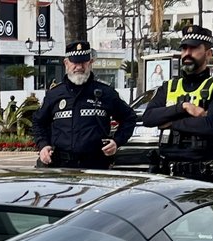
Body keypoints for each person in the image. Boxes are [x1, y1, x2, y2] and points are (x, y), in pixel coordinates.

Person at [141, 25, 213, 182]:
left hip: (204, 177)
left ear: (208, 53)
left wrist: (170, 122)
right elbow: (148, 118)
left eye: (194, 48)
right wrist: (183, 107)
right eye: (184, 49)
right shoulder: (168, 87)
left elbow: (212, 125)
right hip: (167, 176)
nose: (187, 54)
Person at [32, 40, 136, 170]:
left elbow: (129, 117)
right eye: (75, 62)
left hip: (96, 166)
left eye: (83, 62)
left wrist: (117, 141)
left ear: (90, 62)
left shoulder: (105, 93)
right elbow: (38, 122)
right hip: (61, 166)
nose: (79, 67)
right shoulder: (54, 94)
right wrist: (43, 146)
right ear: (66, 63)